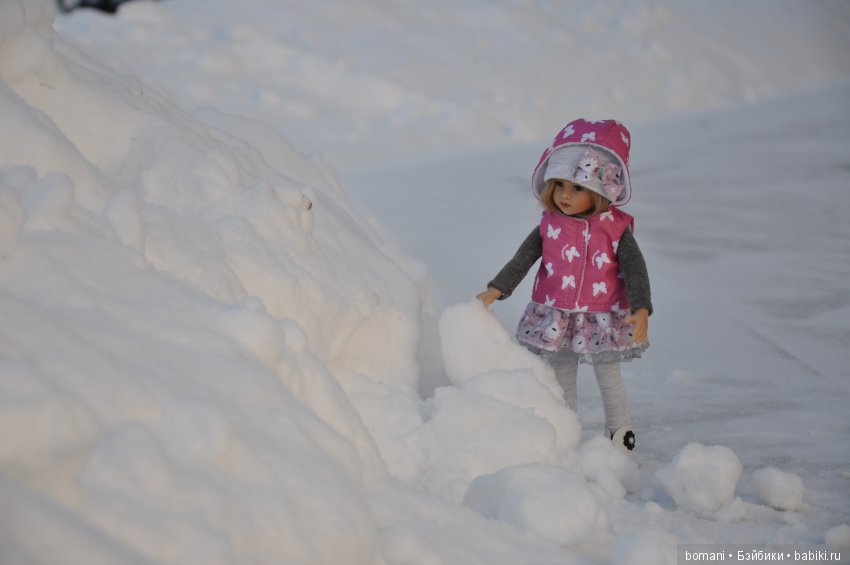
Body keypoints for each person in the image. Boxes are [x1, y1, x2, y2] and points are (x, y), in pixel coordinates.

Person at [477, 118, 651, 453]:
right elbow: (522, 259)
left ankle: (620, 437)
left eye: (577, 188)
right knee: (561, 377)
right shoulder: (548, 225)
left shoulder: (614, 229)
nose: (565, 196)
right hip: (555, 313)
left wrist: (641, 308)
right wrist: (498, 288)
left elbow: (635, 269)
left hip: (603, 315)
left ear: (601, 190)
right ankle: (565, 433)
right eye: (559, 186)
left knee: (608, 377)